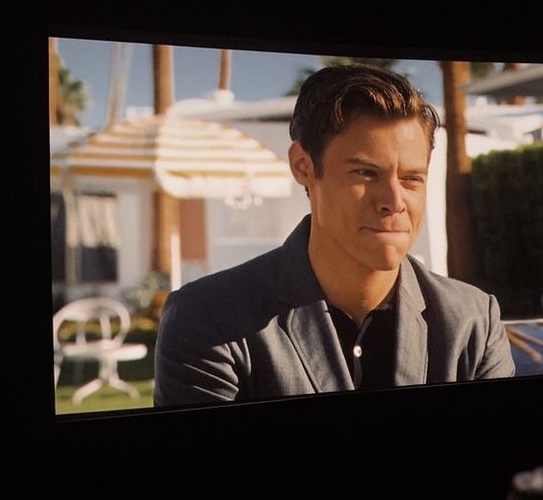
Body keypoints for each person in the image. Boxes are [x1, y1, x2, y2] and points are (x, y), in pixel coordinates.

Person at [153, 63, 514, 406]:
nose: (393, 201)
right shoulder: (209, 320)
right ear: (303, 166)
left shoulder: (473, 321)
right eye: (365, 173)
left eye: (411, 179)